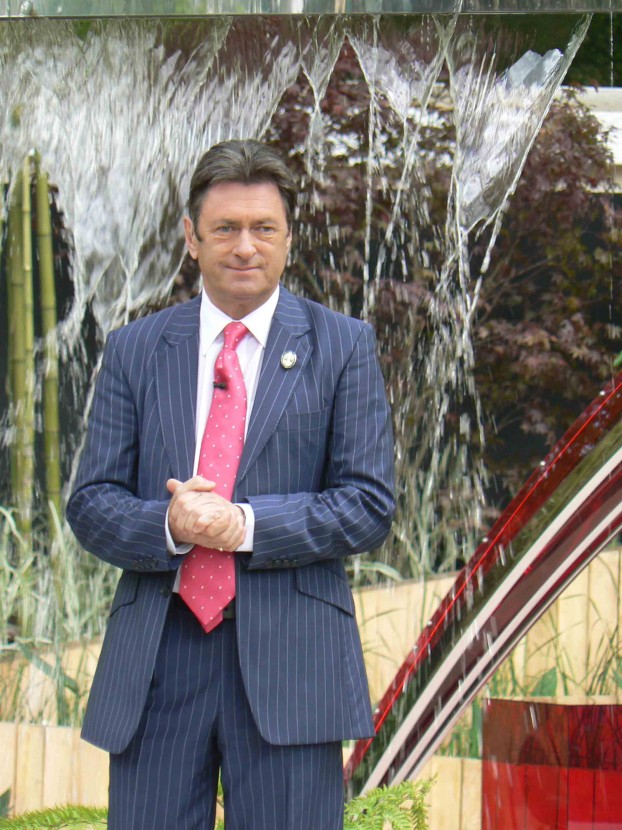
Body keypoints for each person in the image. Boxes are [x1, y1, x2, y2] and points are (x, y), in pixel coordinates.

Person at [66, 138, 395, 830]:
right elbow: (91, 502)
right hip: (159, 659)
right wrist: (168, 525)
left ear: (289, 238)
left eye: (263, 228)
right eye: (225, 229)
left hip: (292, 663)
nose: (245, 247)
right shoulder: (134, 350)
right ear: (192, 238)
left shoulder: (343, 346)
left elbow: (367, 504)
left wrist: (245, 524)